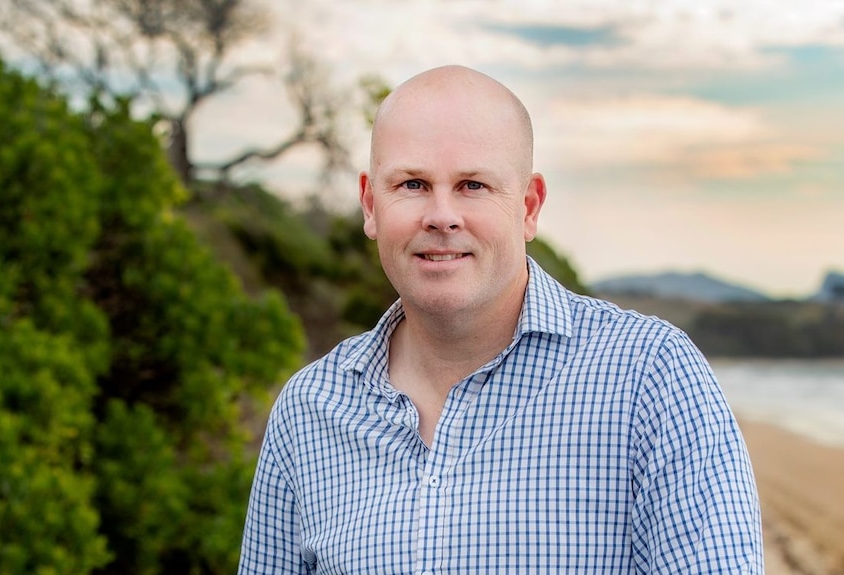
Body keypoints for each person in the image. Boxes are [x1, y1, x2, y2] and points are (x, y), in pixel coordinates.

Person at [237, 65, 763, 574]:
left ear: (530, 206)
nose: (441, 215)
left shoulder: (651, 377)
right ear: (371, 205)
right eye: (413, 185)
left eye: (473, 185)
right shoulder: (309, 410)